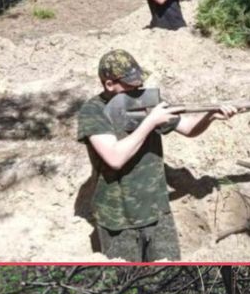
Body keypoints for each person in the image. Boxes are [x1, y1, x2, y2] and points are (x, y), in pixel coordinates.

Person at [75, 49, 237, 262]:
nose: (137, 90)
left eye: (138, 84)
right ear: (108, 84)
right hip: (118, 218)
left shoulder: (146, 100)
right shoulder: (93, 111)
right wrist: (150, 122)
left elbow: (188, 128)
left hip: (158, 212)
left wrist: (210, 116)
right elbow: (115, 158)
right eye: (129, 85)